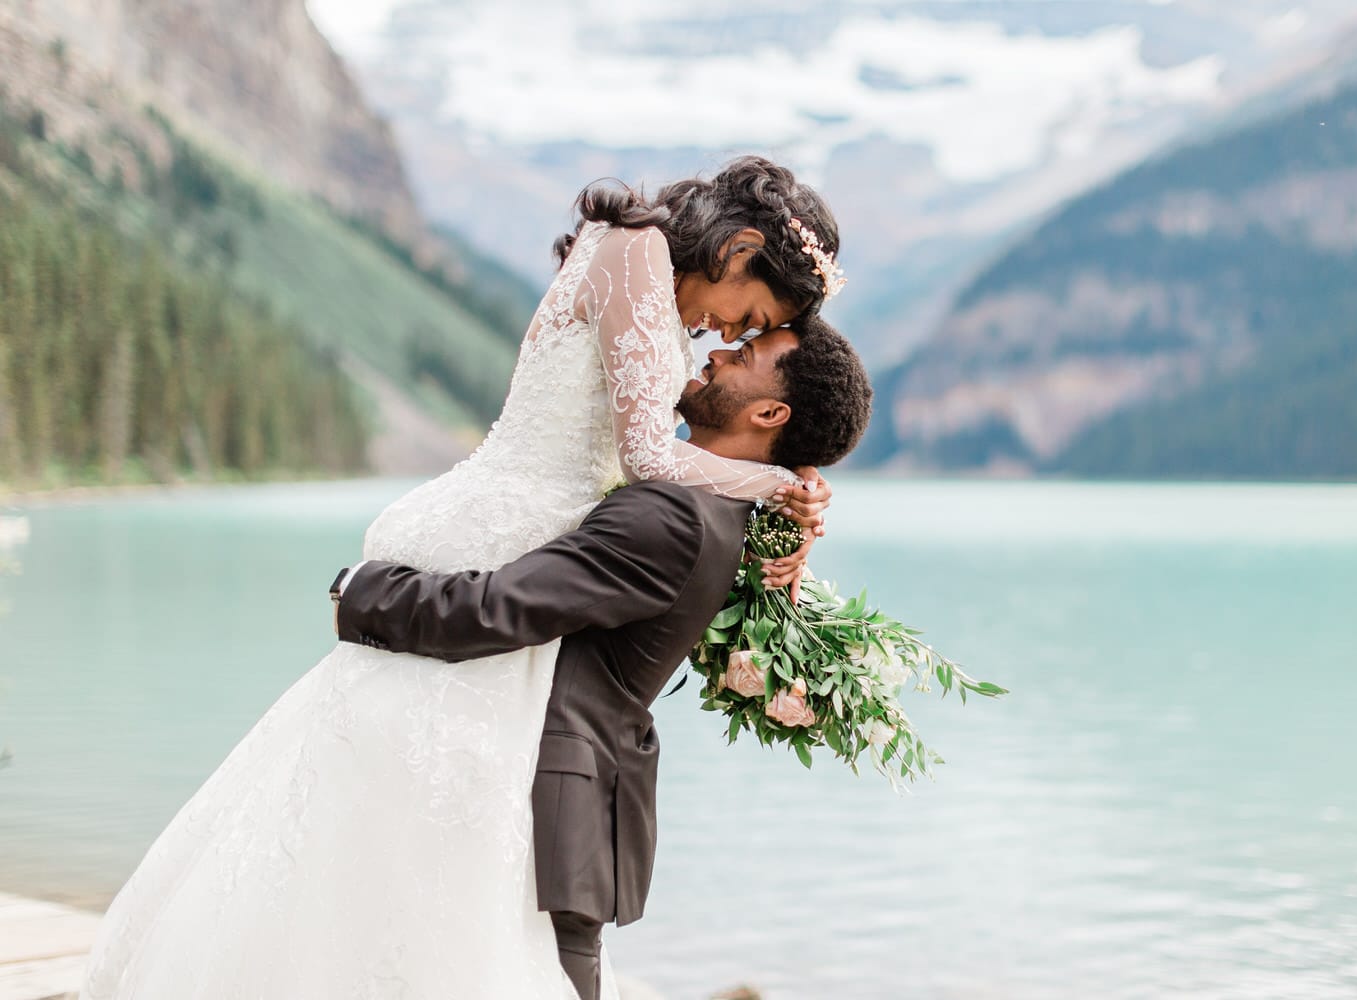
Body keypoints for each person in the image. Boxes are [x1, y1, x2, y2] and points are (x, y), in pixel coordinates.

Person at [79, 157, 849, 1000]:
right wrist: (778, 483)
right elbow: (643, 456)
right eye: (752, 312)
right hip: (496, 531)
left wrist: (781, 507)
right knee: (408, 794)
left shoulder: (657, 285)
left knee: (428, 817)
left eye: (753, 332)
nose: (728, 334)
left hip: (531, 541)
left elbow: (659, 482)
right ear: (738, 248)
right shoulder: (634, 251)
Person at [333, 317, 873, 1000]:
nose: (717, 354)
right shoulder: (729, 508)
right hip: (573, 802)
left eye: (745, 354)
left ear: (769, 411)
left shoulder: (672, 517)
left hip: (549, 802)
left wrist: (358, 593)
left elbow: (498, 609)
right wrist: (796, 480)